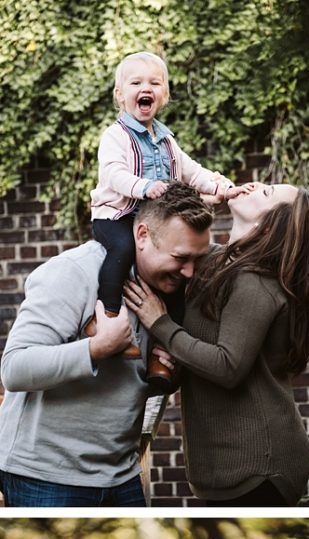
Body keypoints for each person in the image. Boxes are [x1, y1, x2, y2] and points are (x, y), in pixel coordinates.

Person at [0, 183, 212, 508]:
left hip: (121, 474)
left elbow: (138, 383)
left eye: (197, 259)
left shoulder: (173, 290)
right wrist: (97, 348)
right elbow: (15, 369)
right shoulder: (73, 273)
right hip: (46, 477)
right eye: (180, 258)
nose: (190, 272)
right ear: (142, 235)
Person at [122, 181, 309, 506]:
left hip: (259, 467)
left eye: (267, 193)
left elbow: (227, 366)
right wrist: (198, 208)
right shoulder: (217, 264)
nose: (256, 185)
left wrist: (159, 323)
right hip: (223, 467)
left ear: (268, 225)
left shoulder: (255, 281)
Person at [89, 50, 234, 361]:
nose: (146, 88)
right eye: (136, 82)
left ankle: (162, 352)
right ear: (120, 95)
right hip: (116, 215)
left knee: (180, 277)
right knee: (123, 250)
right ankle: (105, 320)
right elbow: (113, 174)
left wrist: (220, 186)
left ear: (164, 95)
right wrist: (143, 186)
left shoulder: (167, 141)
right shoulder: (115, 136)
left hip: (153, 222)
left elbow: (192, 172)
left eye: (155, 83)